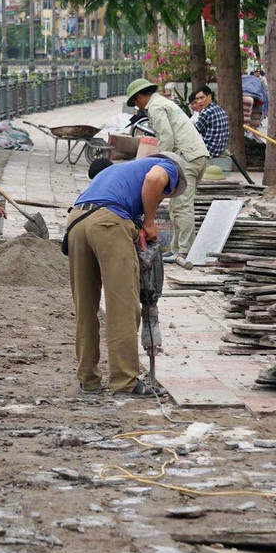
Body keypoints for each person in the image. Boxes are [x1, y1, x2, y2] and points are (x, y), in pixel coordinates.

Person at [66, 152, 186, 397]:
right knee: (123, 306)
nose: (164, 197)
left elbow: (113, 200)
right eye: (168, 194)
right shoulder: (167, 167)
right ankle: (125, 382)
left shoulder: (120, 171)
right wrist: (150, 222)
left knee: (85, 306)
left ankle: (88, 379)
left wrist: (137, 226)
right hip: (107, 222)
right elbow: (154, 181)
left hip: (77, 221)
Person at [125, 78, 209, 260]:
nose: (137, 106)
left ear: (140, 96)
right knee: (176, 205)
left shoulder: (155, 107)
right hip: (196, 155)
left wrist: (162, 164)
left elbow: (167, 137)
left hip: (186, 157)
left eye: (136, 102)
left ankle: (185, 251)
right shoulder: (165, 102)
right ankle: (176, 248)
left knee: (182, 207)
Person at [188, 85, 230, 158]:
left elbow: (193, 133)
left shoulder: (205, 113)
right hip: (220, 148)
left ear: (209, 97)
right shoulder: (220, 109)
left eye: (202, 98)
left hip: (209, 151)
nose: (199, 101)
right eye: (197, 99)